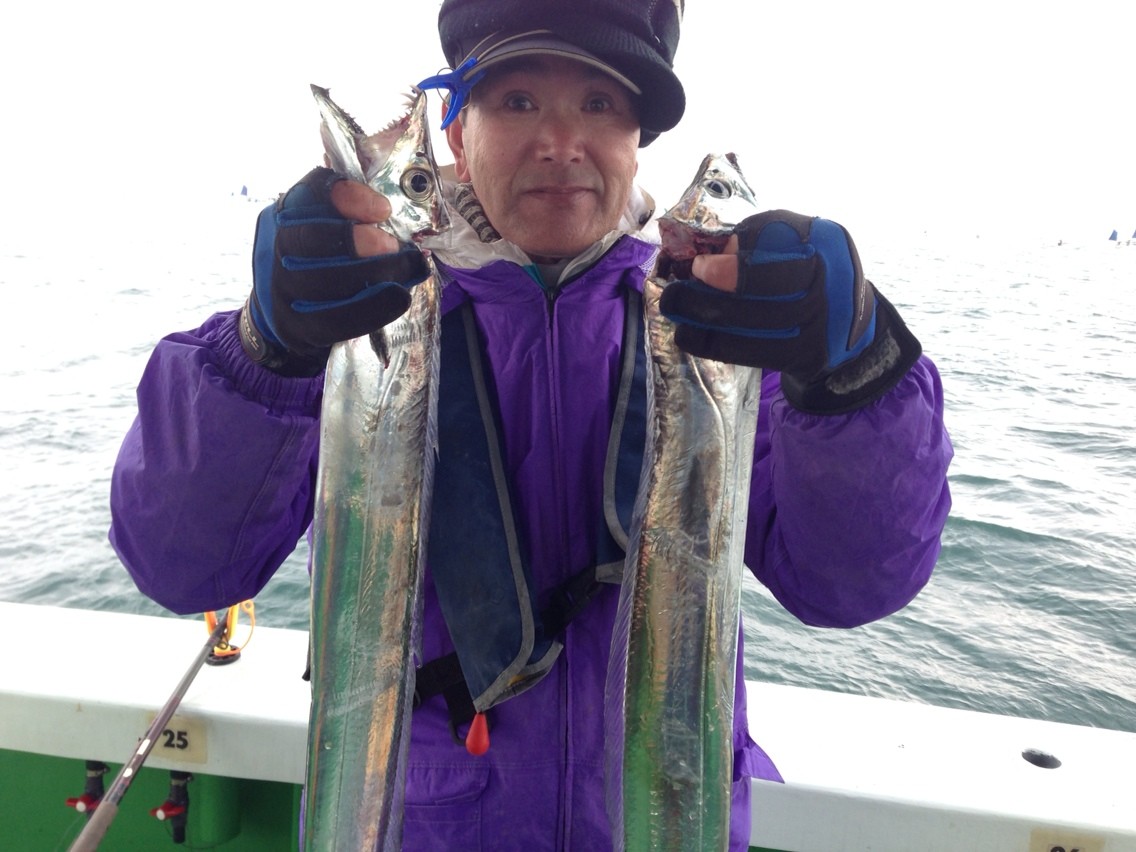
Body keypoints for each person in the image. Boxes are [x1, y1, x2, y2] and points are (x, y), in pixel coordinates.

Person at [109, 0, 953, 848]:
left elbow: (850, 585)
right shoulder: (345, 314)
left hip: (666, 815)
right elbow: (182, 566)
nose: (561, 142)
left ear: (636, 141)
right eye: (517, 101)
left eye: (601, 104)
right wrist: (265, 350)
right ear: (456, 130)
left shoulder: (722, 335)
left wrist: (854, 373)